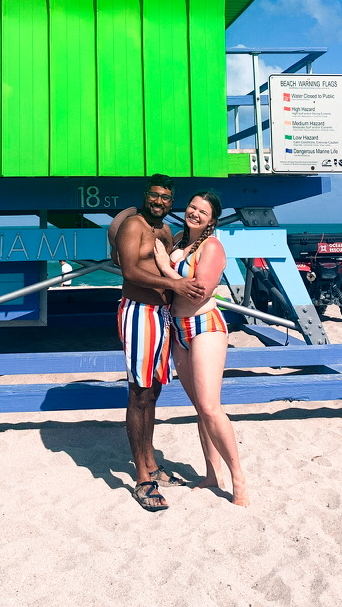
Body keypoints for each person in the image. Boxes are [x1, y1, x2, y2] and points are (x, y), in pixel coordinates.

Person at [113, 175, 206, 512]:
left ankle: (152, 463)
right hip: (138, 313)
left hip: (162, 315)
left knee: (153, 391)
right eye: (155, 196)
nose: (159, 202)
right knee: (139, 392)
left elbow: (169, 268)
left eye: (166, 198)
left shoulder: (165, 232)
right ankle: (141, 477)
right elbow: (130, 270)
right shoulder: (133, 226)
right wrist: (179, 287)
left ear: (171, 202)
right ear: (146, 196)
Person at [153, 190, 249, 507]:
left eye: (202, 211)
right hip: (177, 328)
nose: (194, 213)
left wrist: (166, 269)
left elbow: (198, 292)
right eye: (192, 207)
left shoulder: (212, 247)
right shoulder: (180, 239)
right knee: (199, 408)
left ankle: (238, 479)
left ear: (212, 219)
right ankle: (211, 474)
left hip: (204, 325)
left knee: (210, 407)